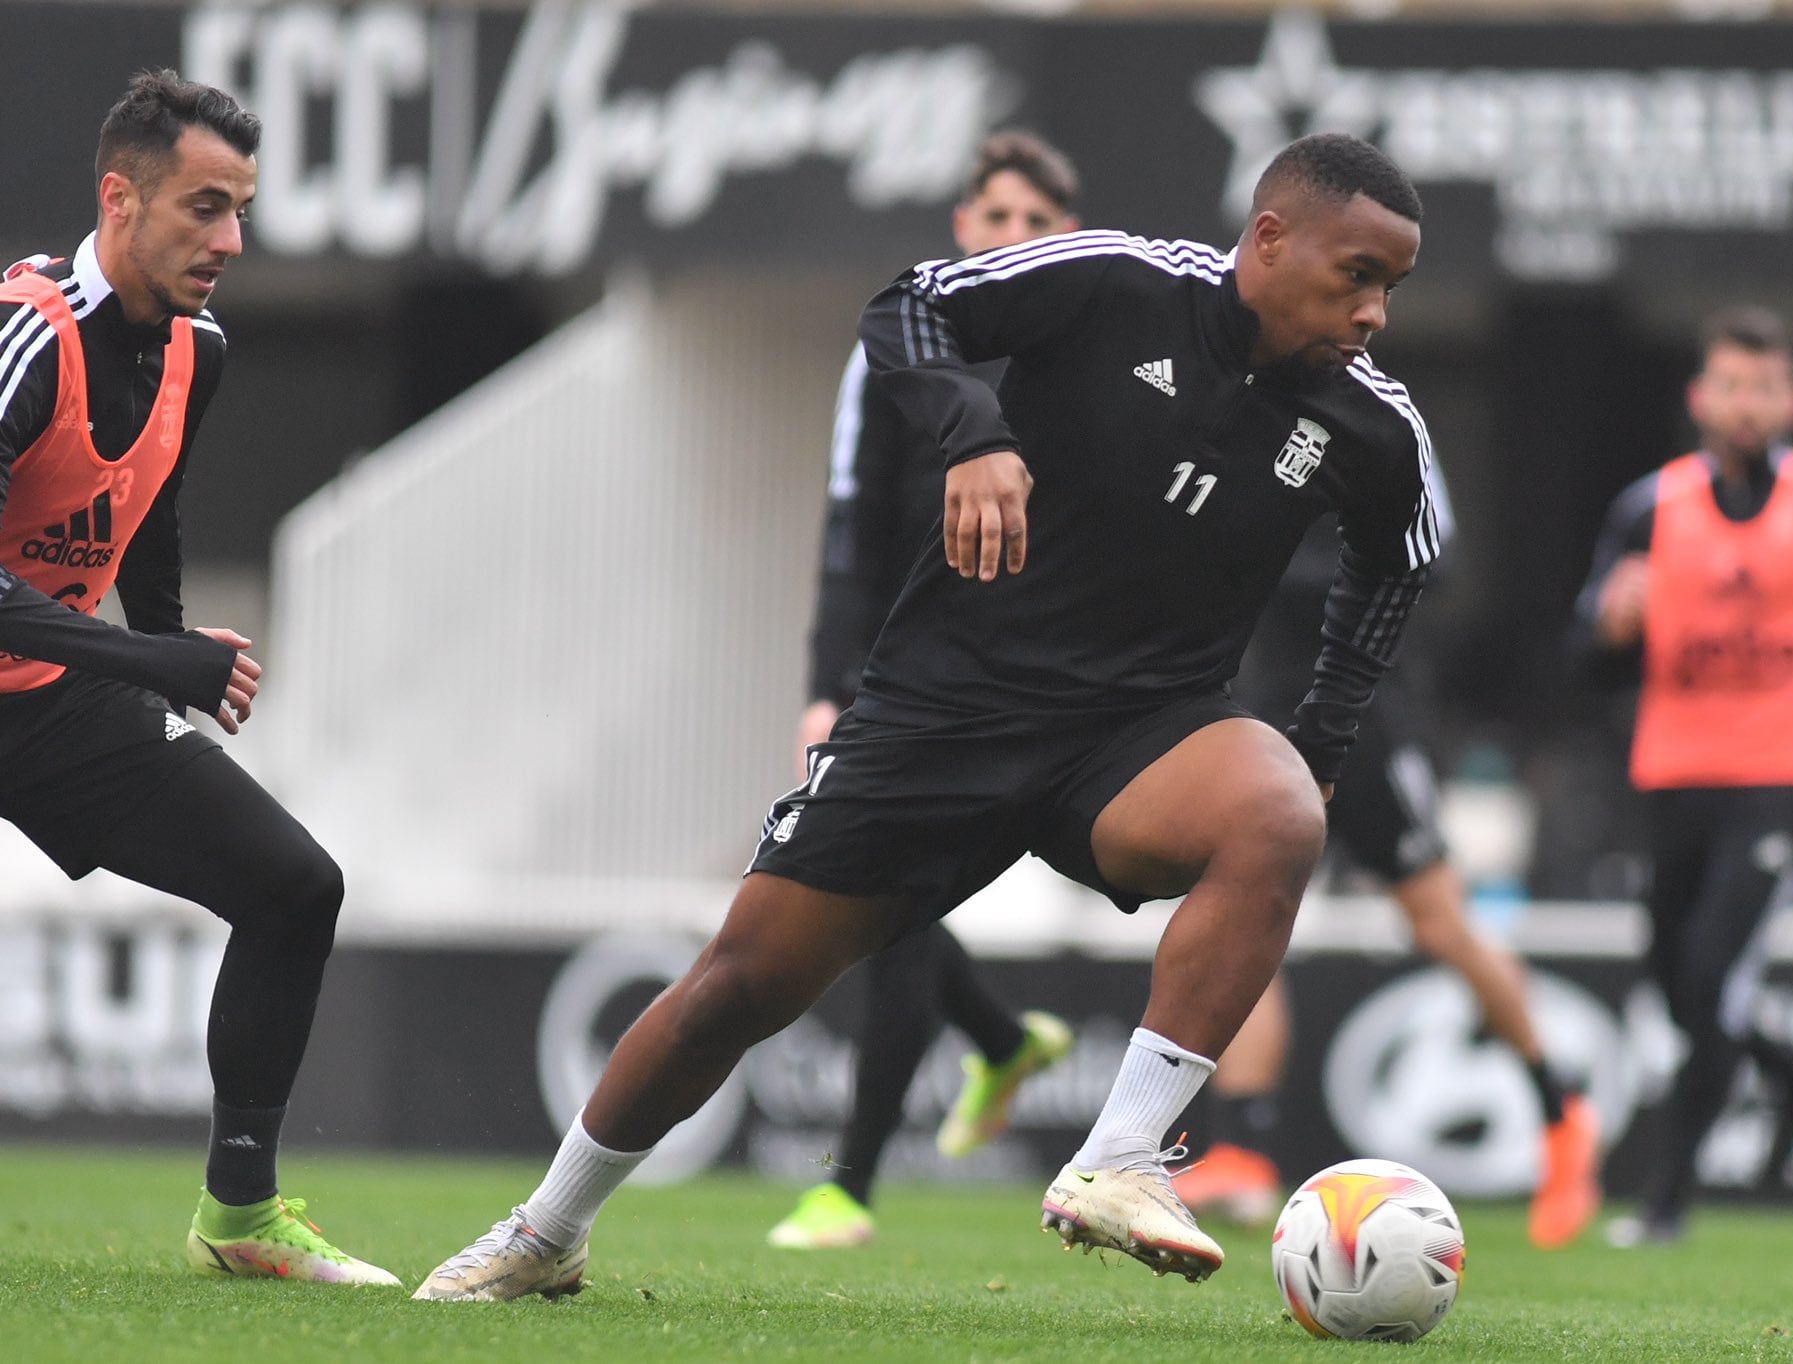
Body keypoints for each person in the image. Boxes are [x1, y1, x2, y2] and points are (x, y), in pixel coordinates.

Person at [416, 131, 1439, 1302]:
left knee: (1276, 811)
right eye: (1355, 274)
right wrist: (976, 433)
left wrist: (1314, 744)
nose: (1372, 312)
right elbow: (908, 304)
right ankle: (544, 1233)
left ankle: (1117, 1156)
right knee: (737, 986)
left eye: (1390, 288)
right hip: (944, 709)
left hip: (1139, 734)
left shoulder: (1372, 426)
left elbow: (1393, 568)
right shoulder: (1114, 279)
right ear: (1268, 237)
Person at [0, 71, 396, 1286]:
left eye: (240, 211)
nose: (230, 241)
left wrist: (172, 649)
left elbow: (150, 510)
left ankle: (241, 1212)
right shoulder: (26, 330)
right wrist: (144, 655)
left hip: (49, 695)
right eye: (204, 208)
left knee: (293, 886)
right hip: (72, 666)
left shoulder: (198, 351)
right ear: (119, 200)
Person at [768, 131, 1082, 1252]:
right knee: (888, 906)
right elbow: (852, 530)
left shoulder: (1084, 349)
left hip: (1036, 684)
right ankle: (858, 1174)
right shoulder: (895, 348)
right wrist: (826, 687)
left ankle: (983, 1058)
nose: (1011, 241)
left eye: (1035, 224)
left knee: (890, 905)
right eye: (994, 219)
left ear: (1071, 236)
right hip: (905, 676)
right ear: (962, 230)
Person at [1174, 491, 1601, 1251]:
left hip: (1369, 717)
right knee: (1244, 917)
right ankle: (1241, 1148)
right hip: (1267, 712)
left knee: (1440, 927)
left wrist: (1268, 556)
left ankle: (1562, 1115)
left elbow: (1435, 559)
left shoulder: (1383, 424)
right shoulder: (1242, 418)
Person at [1578, 306, 1793, 1245]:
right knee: (1668, 976)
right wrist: (1612, 622)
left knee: (1712, 975)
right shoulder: (1649, 508)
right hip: (1676, 772)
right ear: (1699, 396)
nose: (1744, 405)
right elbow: (1591, 647)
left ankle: (1665, 1202)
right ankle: (1787, 1067)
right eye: (1728, 384)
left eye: (1763, 387)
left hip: (1786, 775)